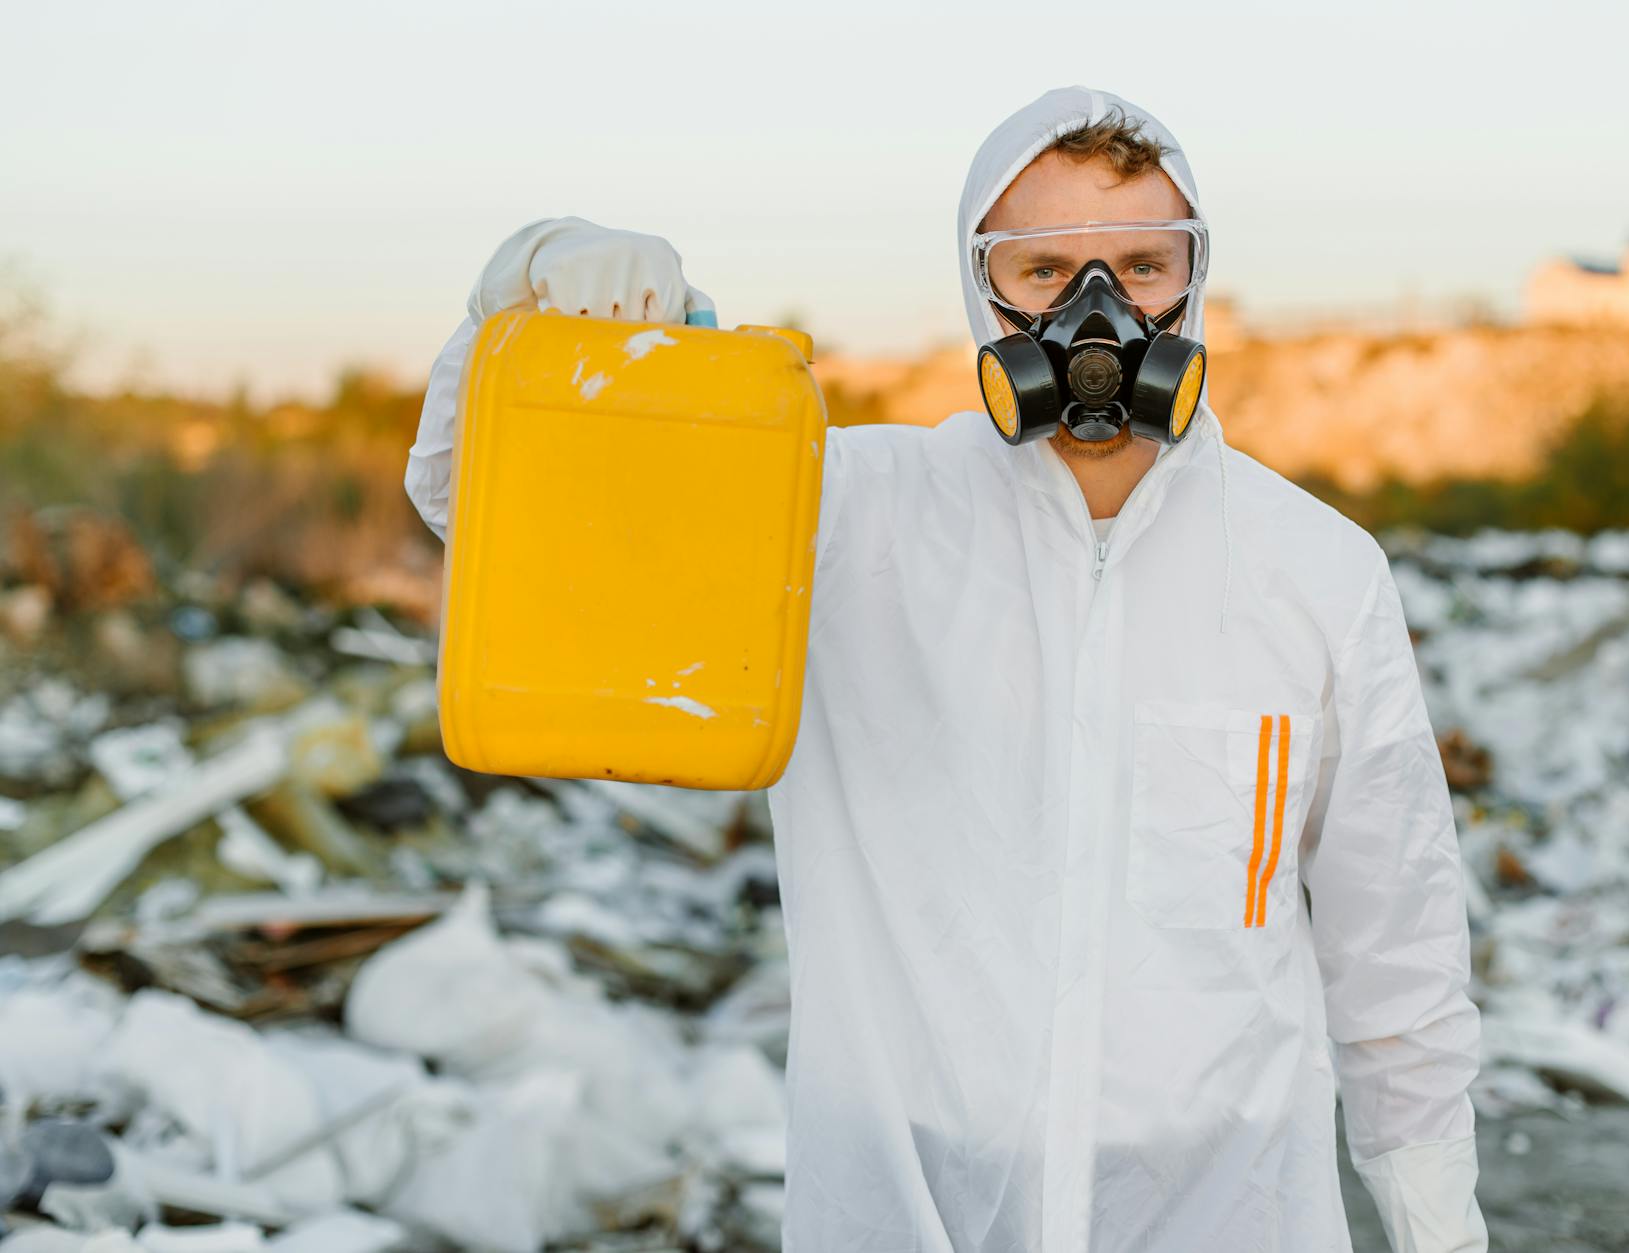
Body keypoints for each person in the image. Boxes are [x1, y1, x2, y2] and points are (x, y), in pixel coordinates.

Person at [405, 85, 1488, 1253]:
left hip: (1226, 1214)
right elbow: (475, 505)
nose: (1097, 308)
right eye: (1041, 270)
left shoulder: (1313, 567)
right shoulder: (834, 515)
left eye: (1140, 263)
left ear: (1192, 280)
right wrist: (525, 283)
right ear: (980, 289)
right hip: (899, 1208)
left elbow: (1397, 958)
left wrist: (1441, 1234)